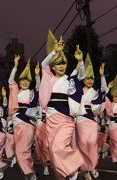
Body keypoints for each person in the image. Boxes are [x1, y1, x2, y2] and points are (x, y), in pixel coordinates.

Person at [39, 30, 84, 180]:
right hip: (51, 118)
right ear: (53, 65)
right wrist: (55, 51)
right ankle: (66, 174)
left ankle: (73, 168)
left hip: (66, 119)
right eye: (58, 63)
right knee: (53, 150)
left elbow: (82, 76)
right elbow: (43, 64)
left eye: (63, 62)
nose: (61, 65)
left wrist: (80, 62)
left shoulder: (70, 78)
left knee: (58, 147)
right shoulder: (49, 77)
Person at [69, 54, 106, 179]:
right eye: (87, 78)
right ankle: (86, 171)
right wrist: (80, 62)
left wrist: (102, 76)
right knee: (84, 144)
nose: (90, 80)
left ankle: (91, 167)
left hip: (92, 121)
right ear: (83, 79)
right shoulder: (78, 90)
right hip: (81, 120)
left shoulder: (95, 92)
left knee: (92, 145)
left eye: (92, 78)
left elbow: (104, 91)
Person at [8, 56, 40, 180]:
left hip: (28, 122)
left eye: (27, 80)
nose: (25, 82)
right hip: (17, 121)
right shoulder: (16, 90)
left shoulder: (32, 92)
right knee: (19, 150)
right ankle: (29, 172)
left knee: (24, 149)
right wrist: (15, 66)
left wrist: (37, 76)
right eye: (23, 80)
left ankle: (30, 173)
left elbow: (39, 88)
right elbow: (11, 80)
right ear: (20, 81)